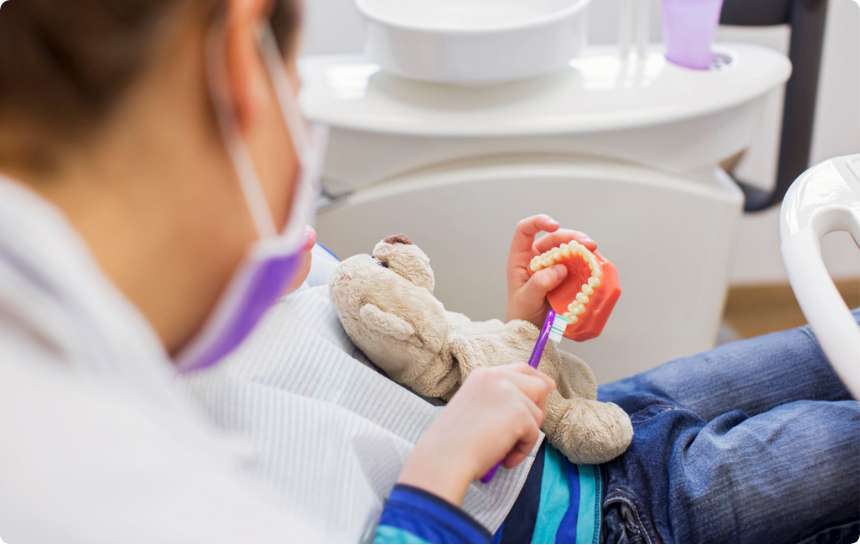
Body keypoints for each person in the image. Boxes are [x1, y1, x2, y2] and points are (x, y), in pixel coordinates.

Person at [0, 1, 856, 543]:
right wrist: (437, 477)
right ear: (239, 63)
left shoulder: (127, 322)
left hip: (592, 426)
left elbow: (402, 382)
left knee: (839, 346)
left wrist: (524, 330)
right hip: (616, 520)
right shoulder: (109, 478)